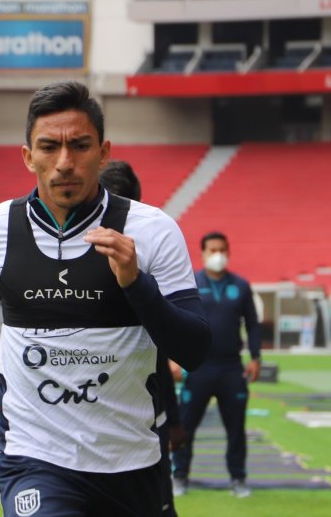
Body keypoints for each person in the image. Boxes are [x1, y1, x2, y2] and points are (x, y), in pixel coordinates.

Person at [0, 81, 212, 517]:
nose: (64, 163)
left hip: (133, 461)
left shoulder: (152, 230)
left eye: (79, 146)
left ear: (104, 152)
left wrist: (135, 283)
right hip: (34, 457)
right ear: (27, 156)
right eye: (48, 147)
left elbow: (195, 350)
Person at [100, 160, 183, 517]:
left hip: (142, 418)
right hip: (79, 420)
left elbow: (161, 350)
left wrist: (173, 417)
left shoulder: (147, 261)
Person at [171, 231, 261, 499]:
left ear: (228, 251)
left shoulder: (241, 286)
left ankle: (238, 478)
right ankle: (180, 476)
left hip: (231, 368)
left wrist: (256, 357)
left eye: (221, 249)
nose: (217, 255)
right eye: (212, 250)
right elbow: (175, 321)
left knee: (236, 429)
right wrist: (172, 357)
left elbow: (253, 325)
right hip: (197, 367)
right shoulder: (191, 283)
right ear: (203, 253)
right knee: (185, 426)